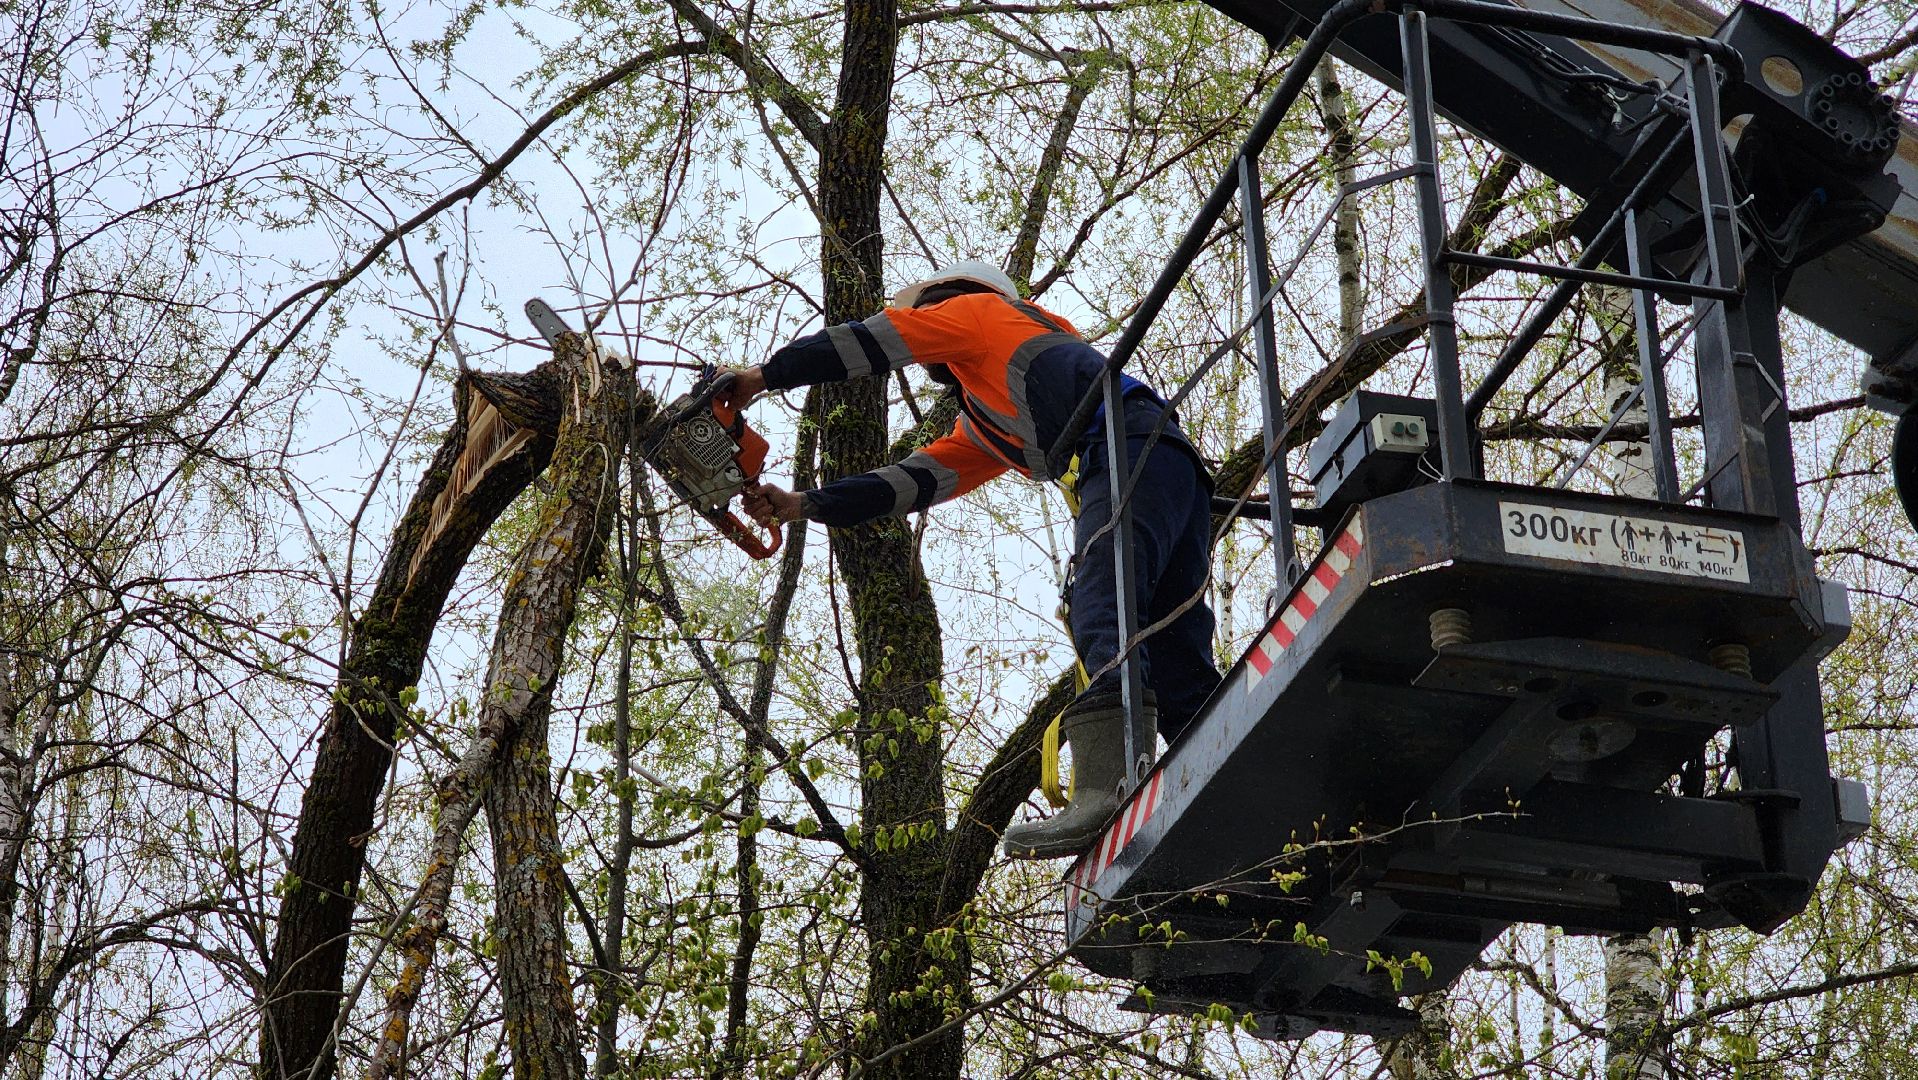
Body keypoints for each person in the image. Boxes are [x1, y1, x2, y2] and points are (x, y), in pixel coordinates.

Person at [720, 260, 1221, 858]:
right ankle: (1236, 779)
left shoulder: (980, 317)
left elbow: (869, 343)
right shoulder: (990, 414)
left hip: (1126, 449)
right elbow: (906, 484)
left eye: (922, 310)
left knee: (1099, 599)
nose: (918, 322)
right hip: (1170, 467)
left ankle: (1105, 788)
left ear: (949, 299)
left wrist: (760, 377)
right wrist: (801, 504)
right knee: (1170, 655)